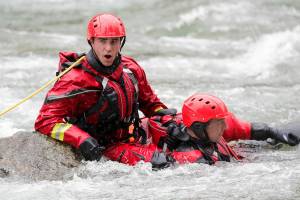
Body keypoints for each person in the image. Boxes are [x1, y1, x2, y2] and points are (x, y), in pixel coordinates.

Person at [35, 13, 173, 162]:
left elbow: (151, 104)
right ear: (91, 41)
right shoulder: (75, 80)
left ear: (121, 42)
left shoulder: (130, 68)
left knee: (191, 131)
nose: (108, 48)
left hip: (134, 136)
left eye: (114, 41)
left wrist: (166, 119)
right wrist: (81, 139)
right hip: (104, 147)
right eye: (102, 41)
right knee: (163, 162)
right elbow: (45, 121)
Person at [146, 93, 300, 165]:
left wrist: (272, 131)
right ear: (199, 127)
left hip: (241, 154)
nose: (224, 126)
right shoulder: (192, 160)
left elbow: (242, 127)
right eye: (219, 123)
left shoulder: (208, 131)